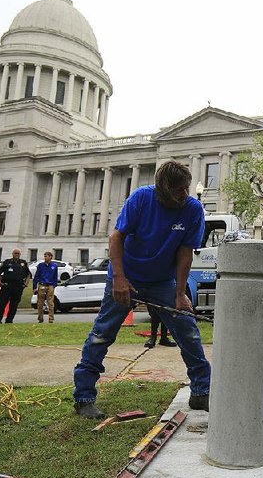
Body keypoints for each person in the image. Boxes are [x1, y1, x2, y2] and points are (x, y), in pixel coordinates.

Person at [73, 161, 211, 419]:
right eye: (179, 190)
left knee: (188, 331)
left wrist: (181, 294)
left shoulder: (192, 209)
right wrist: (120, 279)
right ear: (164, 189)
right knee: (102, 334)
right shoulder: (141, 199)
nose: (185, 194)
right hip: (127, 277)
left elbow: (185, 254)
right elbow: (116, 238)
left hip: (162, 281)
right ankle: (84, 398)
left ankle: (201, 392)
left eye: (187, 188)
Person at [0, 248, 31, 324]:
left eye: (18, 253)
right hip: (7, 286)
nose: (17, 255)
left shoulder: (23, 263)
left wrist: (26, 284)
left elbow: (28, 275)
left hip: (18, 287)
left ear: (20, 254)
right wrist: (0, 283)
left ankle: (9, 320)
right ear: (12, 254)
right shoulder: (7, 262)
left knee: (14, 305)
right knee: (2, 304)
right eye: (15, 253)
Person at [33, 251, 59, 323]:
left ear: (50, 257)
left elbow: (55, 276)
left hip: (50, 285)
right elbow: (36, 276)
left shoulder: (54, 266)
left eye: (46, 256)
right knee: (40, 303)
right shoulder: (40, 265)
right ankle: (40, 318)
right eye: (44, 256)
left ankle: (51, 318)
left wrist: (54, 285)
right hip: (42, 284)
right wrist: (34, 287)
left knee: (50, 302)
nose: (45, 257)